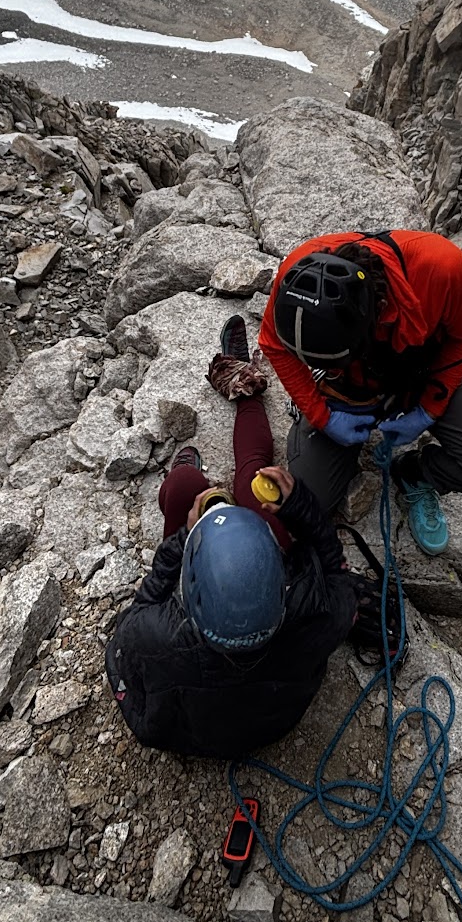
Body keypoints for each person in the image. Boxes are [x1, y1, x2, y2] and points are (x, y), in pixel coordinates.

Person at [105, 315, 360, 759]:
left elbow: (138, 614)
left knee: (185, 488)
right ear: (280, 583)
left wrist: (182, 539)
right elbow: (335, 567)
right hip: (275, 717)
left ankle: (187, 470)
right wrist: (297, 505)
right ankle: (244, 388)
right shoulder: (317, 617)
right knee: (252, 472)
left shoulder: (157, 636)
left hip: (198, 708)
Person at [259, 228, 462, 554]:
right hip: (347, 387)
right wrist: (321, 415)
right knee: (309, 502)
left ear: (378, 309)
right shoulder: (298, 280)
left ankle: (416, 473)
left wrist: (428, 409)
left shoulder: (441, 268)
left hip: (422, 373)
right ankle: (327, 420)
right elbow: (274, 345)